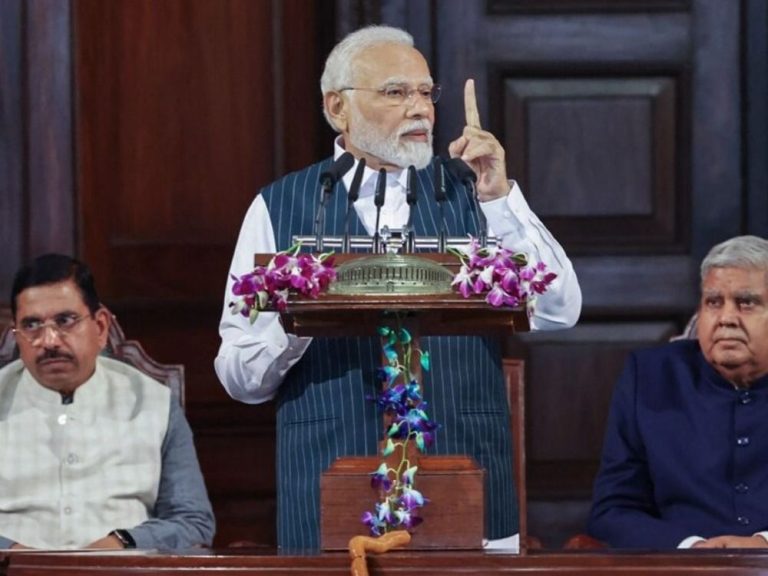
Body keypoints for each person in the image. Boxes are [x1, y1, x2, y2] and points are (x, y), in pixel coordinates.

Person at [216, 25, 581, 552]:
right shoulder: (279, 206)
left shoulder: (474, 191)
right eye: (395, 92)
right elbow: (239, 376)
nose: (420, 109)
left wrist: (501, 198)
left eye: (426, 92)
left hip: (466, 481)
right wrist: (298, 322)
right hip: (329, 484)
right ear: (337, 107)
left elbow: (561, 308)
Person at [0, 254, 215, 550]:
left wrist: (122, 543)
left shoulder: (153, 402)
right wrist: (12, 553)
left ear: (100, 326)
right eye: (32, 325)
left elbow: (193, 522)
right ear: (18, 334)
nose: (49, 340)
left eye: (65, 321)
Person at [588, 235, 768, 549]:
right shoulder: (649, 378)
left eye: (746, 303)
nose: (726, 318)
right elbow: (612, 510)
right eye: (714, 302)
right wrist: (692, 548)